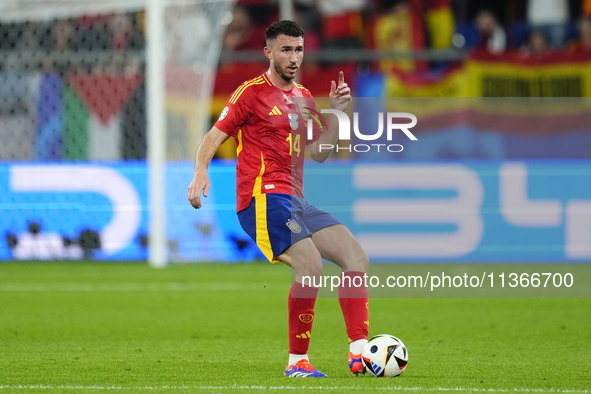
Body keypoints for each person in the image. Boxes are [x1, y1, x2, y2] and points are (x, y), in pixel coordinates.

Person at [187, 20, 369, 378]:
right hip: (261, 198)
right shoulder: (249, 93)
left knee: (355, 257)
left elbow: (319, 153)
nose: (294, 57)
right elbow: (212, 137)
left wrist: (337, 117)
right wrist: (199, 172)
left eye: (298, 49)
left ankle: (361, 351)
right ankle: (297, 361)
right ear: (269, 52)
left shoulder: (302, 97)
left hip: (296, 200)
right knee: (311, 266)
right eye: (286, 50)